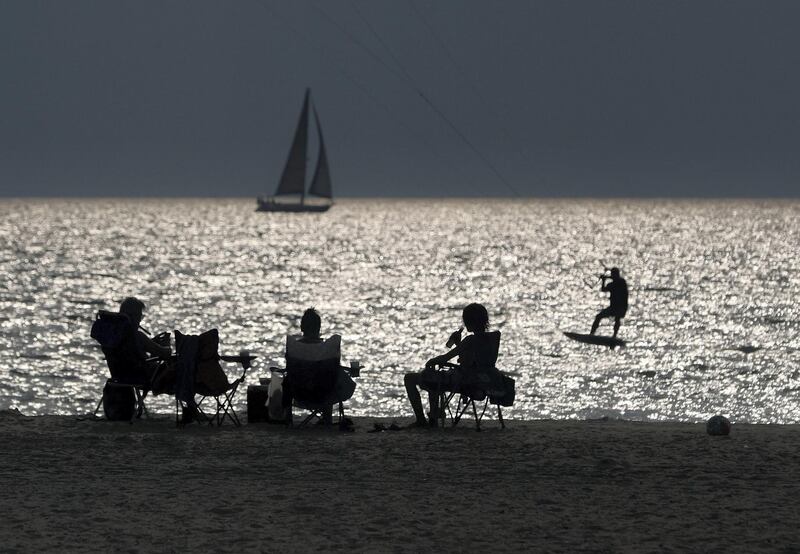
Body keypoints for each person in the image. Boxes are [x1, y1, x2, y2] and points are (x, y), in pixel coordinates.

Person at [404, 303, 501, 427]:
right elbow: (471, 360)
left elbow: (445, 358)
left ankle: (424, 419)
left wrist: (432, 361)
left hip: (466, 382)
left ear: (469, 322)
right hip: (483, 381)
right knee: (436, 376)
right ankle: (433, 415)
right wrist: (458, 343)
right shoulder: (492, 338)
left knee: (413, 378)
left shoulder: (470, 340)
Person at [282, 308, 355, 426]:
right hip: (323, 394)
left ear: (302, 327)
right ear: (319, 328)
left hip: (300, 393)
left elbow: (289, 370)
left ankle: (288, 419)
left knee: (286, 379)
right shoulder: (327, 350)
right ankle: (327, 419)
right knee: (332, 376)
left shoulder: (295, 348)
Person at [590, 267, 628, 338]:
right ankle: (591, 334)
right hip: (613, 307)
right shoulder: (611, 284)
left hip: (621, 307)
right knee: (598, 317)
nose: (612, 276)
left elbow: (617, 281)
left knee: (617, 318)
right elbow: (603, 289)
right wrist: (604, 280)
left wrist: (607, 277)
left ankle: (614, 336)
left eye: (613, 274)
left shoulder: (622, 282)